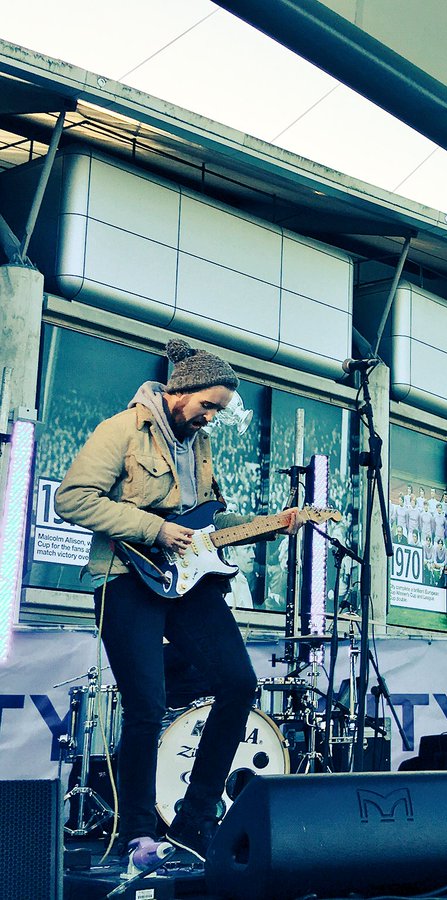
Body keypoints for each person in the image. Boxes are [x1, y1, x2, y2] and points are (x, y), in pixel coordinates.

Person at [55, 339, 300, 868]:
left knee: (238, 683)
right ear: (178, 390)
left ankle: (196, 818)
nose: (210, 417)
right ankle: (137, 834)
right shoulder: (121, 430)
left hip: (189, 582)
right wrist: (154, 527)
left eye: (219, 410)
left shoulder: (199, 445)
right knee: (145, 706)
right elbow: (72, 497)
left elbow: (206, 526)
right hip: (126, 577)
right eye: (207, 405)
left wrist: (269, 527)